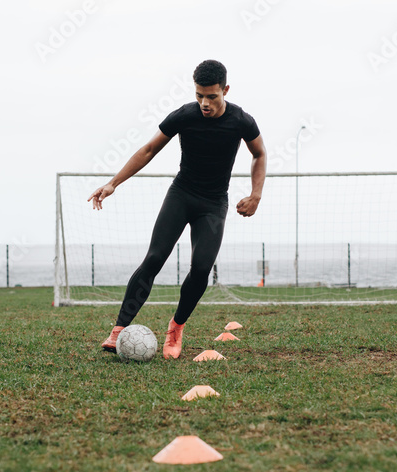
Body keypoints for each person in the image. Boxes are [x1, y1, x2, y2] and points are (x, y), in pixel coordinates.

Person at [89, 59, 267, 359]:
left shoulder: (241, 121)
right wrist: (113, 183)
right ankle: (118, 330)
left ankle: (176, 326)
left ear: (225, 90)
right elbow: (148, 150)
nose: (204, 103)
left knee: (201, 268)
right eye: (199, 95)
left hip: (213, 204)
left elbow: (259, 153)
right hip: (181, 195)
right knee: (155, 257)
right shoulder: (185, 115)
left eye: (211, 96)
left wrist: (256, 195)